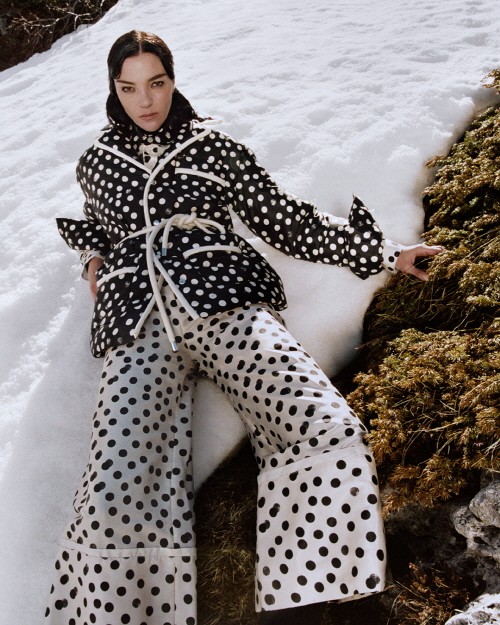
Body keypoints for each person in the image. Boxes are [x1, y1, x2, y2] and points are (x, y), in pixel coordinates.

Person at [45, 30, 443, 625]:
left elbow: (284, 218)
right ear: (113, 89)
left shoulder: (214, 146)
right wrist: (93, 257)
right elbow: (94, 226)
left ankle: (306, 598)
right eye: (128, 88)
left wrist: (385, 252)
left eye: (156, 83)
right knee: (115, 483)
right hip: (137, 323)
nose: (145, 101)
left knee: (322, 422)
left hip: (225, 301)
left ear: (173, 81)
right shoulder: (96, 163)